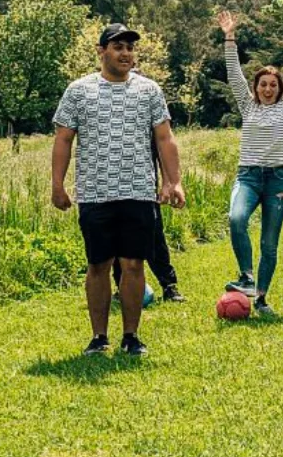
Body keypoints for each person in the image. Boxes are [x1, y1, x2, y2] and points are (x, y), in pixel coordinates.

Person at [51, 23, 185, 357]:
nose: (126, 53)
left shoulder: (149, 90)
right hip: (95, 192)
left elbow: (164, 138)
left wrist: (174, 181)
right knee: (98, 264)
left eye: (129, 47)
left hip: (138, 191)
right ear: (101, 51)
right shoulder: (79, 91)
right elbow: (63, 139)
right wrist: (57, 184)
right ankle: (99, 337)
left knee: (134, 265)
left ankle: (131, 336)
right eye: (118, 47)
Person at [218, 6, 283, 314]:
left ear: (280, 88)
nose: (268, 89)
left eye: (273, 85)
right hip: (248, 176)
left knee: (269, 244)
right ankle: (246, 276)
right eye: (263, 84)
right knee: (236, 219)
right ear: (256, 88)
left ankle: (260, 298)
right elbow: (234, 74)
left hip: (278, 179)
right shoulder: (248, 107)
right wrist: (229, 37)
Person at [112, 124, 185, 303]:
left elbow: (162, 150)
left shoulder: (146, 111)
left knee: (154, 239)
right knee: (117, 242)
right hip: (112, 191)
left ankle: (169, 286)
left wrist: (168, 183)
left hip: (144, 189)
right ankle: (120, 287)